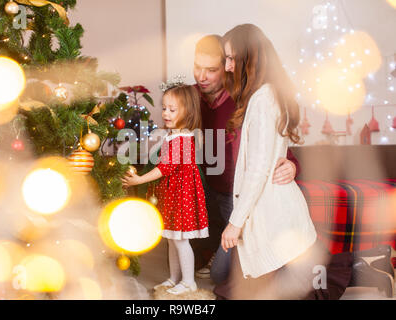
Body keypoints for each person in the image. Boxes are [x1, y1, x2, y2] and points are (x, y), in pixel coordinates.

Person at [214, 23, 395, 300]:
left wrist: (235, 223)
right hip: (269, 206)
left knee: (294, 284)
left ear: (248, 58)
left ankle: (366, 266)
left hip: (271, 208)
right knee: (269, 279)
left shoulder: (264, 99)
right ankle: (366, 262)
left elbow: (259, 167)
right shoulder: (264, 95)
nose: (226, 66)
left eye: (230, 58)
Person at [191, 35, 301, 283]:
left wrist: (293, 165)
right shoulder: (192, 97)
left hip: (238, 197)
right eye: (197, 67)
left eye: (211, 70)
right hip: (209, 190)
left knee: (222, 276)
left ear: (228, 67)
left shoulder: (245, 99)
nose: (202, 76)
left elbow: (272, 150)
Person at [121, 84, 209, 295]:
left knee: (180, 240)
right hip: (172, 195)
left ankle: (189, 281)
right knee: (171, 239)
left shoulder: (183, 138)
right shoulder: (173, 136)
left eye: (172, 109)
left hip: (182, 197)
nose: (166, 113)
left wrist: (139, 180)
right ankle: (174, 278)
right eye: (164, 108)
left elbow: (164, 168)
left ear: (187, 112)